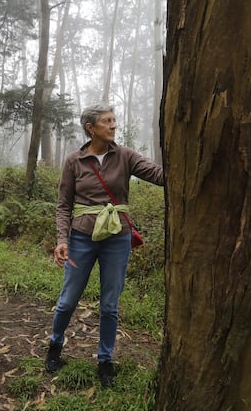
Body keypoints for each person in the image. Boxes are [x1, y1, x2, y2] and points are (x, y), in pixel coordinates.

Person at [45, 103, 163, 388]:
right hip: (82, 238)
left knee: (110, 304)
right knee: (68, 299)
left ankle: (105, 360)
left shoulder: (125, 156)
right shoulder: (75, 160)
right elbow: (64, 205)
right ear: (91, 127)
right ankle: (54, 346)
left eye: (114, 120)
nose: (113, 125)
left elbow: (159, 176)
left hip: (117, 238)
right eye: (107, 121)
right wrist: (62, 239)